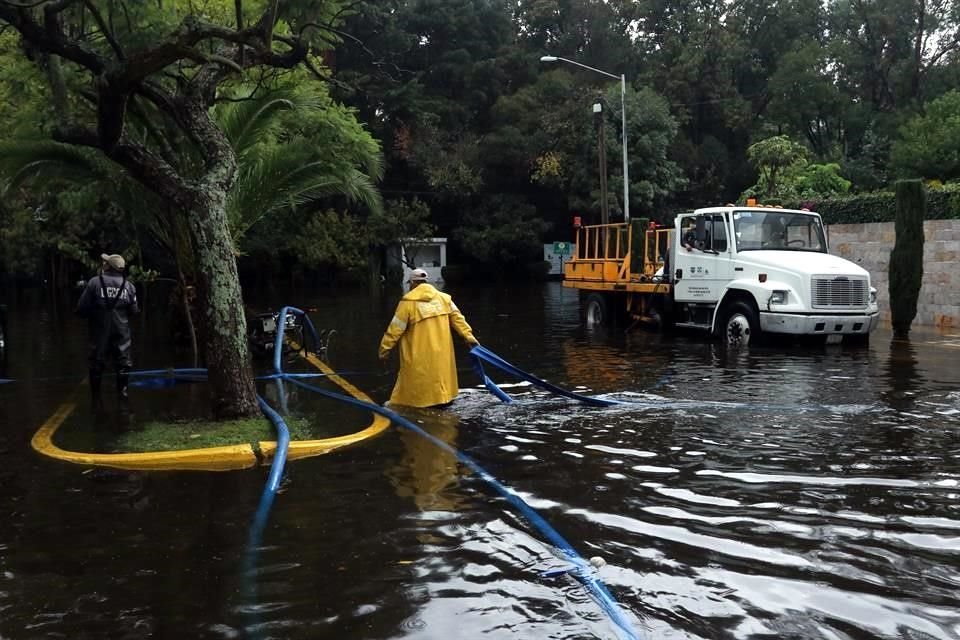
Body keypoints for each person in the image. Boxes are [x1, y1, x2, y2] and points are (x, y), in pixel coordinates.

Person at [378, 268, 478, 408]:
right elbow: (459, 320)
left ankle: (414, 404)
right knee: (441, 380)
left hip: (419, 355)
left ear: (412, 283)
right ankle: (444, 399)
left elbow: (394, 330)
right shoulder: (445, 299)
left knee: (414, 383)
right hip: (442, 353)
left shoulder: (407, 303)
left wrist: (384, 350)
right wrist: (470, 338)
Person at [76, 253, 139, 405]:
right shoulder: (129, 286)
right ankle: (123, 399)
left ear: (108, 266)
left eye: (105, 262)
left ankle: (96, 402)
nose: (103, 264)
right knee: (123, 363)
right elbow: (134, 311)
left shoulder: (94, 283)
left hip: (99, 333)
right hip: (122, 333)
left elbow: (81, 309)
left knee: (96, 363)